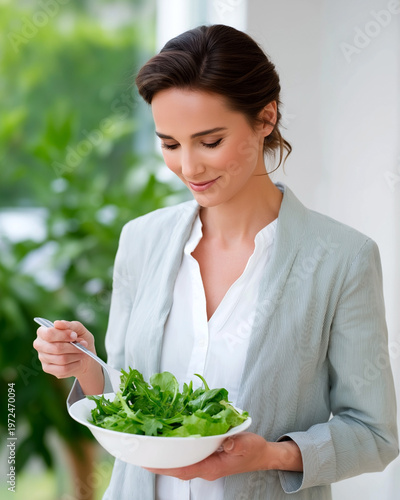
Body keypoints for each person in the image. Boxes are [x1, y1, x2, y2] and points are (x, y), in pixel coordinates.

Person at [34, 24, 398, 500]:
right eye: (170, 144)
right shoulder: (141, 241)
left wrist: (271, 454)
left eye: (209, 142)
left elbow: (374, 434)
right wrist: (85, 367)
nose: (189, 167)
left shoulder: (341, 258)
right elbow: (128, 399)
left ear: (265, 118)